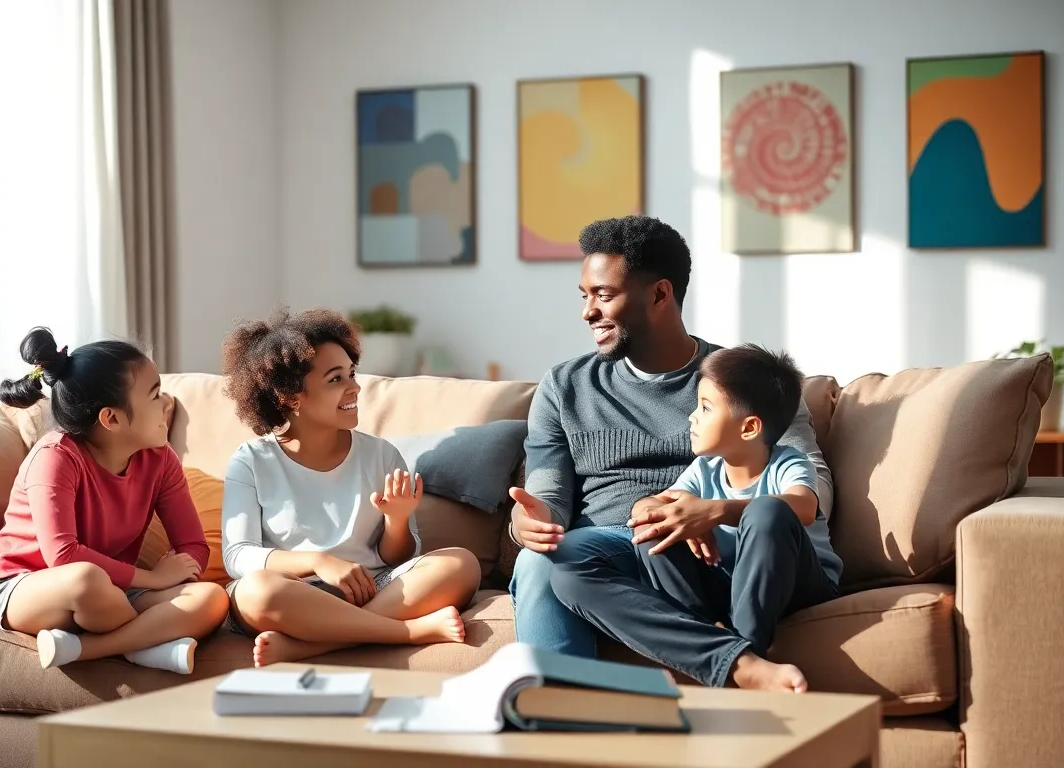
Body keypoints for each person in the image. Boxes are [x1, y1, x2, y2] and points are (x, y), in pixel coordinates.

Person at [507, 215, 834, 692]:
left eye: (603, 295)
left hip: (716, 547)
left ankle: (724, 660)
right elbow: (547, 491)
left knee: (597, 552)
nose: (588, 313)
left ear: (660, 295)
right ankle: (559, 728)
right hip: (615, 548)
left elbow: (813, 483)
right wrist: (529, 521)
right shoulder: (564, 386)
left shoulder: (742, 381)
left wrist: (718, 511)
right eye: (585, 297)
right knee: (543, 559)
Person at [550, 344, 842, 693]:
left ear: (749, 428)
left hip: (798, 583)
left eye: (705, 408)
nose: (692, 416)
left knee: (767, 510)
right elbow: (650, 508)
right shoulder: (705, 469)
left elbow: (803, 506)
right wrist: (674, 516)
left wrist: (714, 511)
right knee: (591, 565)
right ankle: (732, 657)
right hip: (722, 590)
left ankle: (744, 644)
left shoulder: (787, 462)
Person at [219, 308, 480, 668]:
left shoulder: (382, 455)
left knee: (462, 564)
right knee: (256, 592)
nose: (355, 387)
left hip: (373, 589)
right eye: (335, 378)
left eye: (351, 373)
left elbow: (397, 558)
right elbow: (237, 556)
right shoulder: (250, 461)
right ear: (289, 396)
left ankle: (314, 647)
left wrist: (397, 521)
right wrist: (318, 561)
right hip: (297, 597)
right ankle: (406, 632)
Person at [0, 328, 230, 675]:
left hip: (112, 592)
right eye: (155, 395)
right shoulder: (56, 457)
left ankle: (87, 648)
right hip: (25, 585)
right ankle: (145, 645)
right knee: (86, 580)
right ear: (111, 419)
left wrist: (177, 571)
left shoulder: (160, 458)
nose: (167, 403)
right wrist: (153, 579)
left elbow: (194, 545)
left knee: (211, 599)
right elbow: (63, 555)